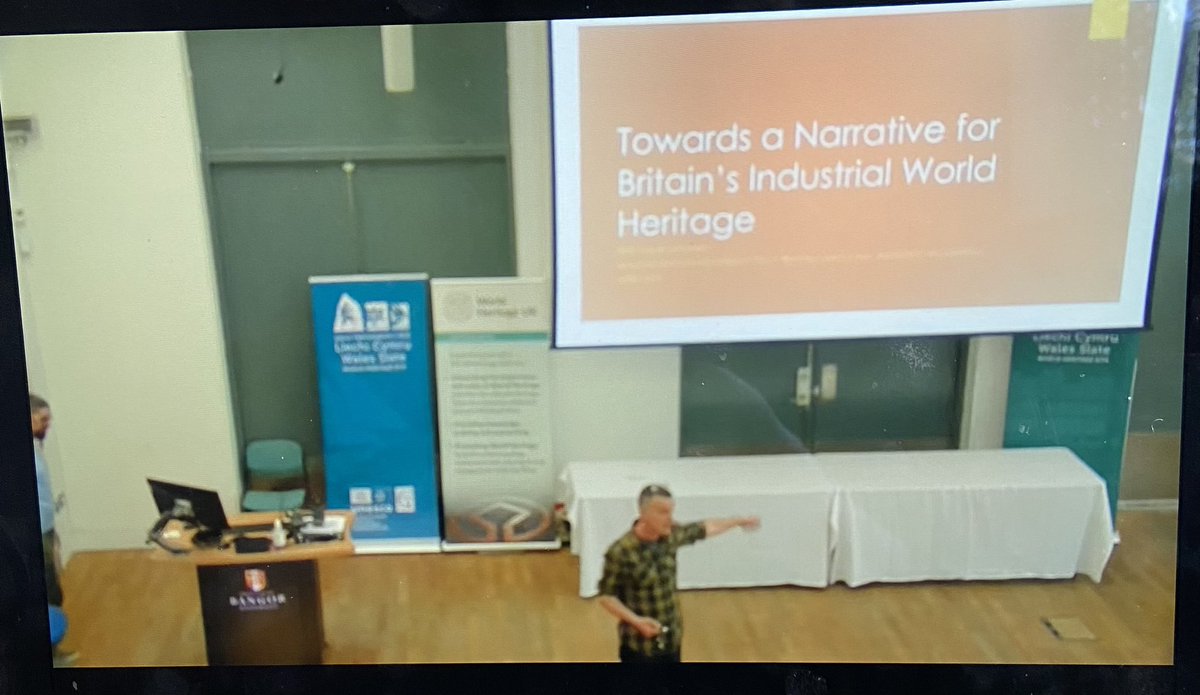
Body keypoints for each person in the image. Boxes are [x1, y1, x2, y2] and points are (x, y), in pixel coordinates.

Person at [597, 484, 760, 665]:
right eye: (662, 512)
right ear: (642, 513)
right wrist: (637, 622)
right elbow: (607, 597)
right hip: (639, 647)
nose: (669, 519)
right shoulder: (621, 551)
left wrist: (737, 522)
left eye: (671, 512)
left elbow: (706, 528)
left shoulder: (670, 536)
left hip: (671, 638)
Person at [30, 393, 76, 666]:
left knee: (53, 589)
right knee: (47, 592)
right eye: (43, 419)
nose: (47, 424)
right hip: (36, 533)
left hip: (47, 528)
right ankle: (51, 656)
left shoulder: (35, 447)